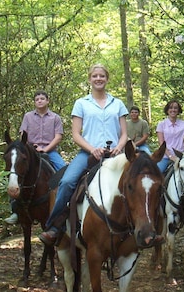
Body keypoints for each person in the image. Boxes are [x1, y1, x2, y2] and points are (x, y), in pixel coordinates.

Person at [39, 64, 129, 246]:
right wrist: (92, 148)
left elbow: (124, 134)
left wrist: (120, 147)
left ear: (107, 79)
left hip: (114, 155)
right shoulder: (81, 103)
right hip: (88, 153)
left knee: (139, 181)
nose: (98, 79)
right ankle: (55, 227)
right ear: (89, 79)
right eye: (95, 76)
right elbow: (75, 134)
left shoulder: (117, 103)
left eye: (102, 76)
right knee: (67, 182)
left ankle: (144, 227)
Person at [5, 90, 66, 224]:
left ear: (47, 101)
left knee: (64, 171)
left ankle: (63, 206)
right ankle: (15, 210)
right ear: (34, 102)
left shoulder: (55, 118)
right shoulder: (28, 116)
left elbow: (58, 136)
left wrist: (45, 149)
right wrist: (30, 148)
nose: (39, 100)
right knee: (16, 173)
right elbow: (23, 134)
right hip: (30, 152)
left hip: (50, 151)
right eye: (37, 99)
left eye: (42, 98)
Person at [156, 99, 184, 173]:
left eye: (175, 108)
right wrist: (171, 156)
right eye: (171, 108)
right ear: (167, 110)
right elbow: (161, 144)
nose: (173, 110)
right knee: (156, 174)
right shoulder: (161, 124)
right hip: (166, 157)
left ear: (178, 110)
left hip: (181, 156)